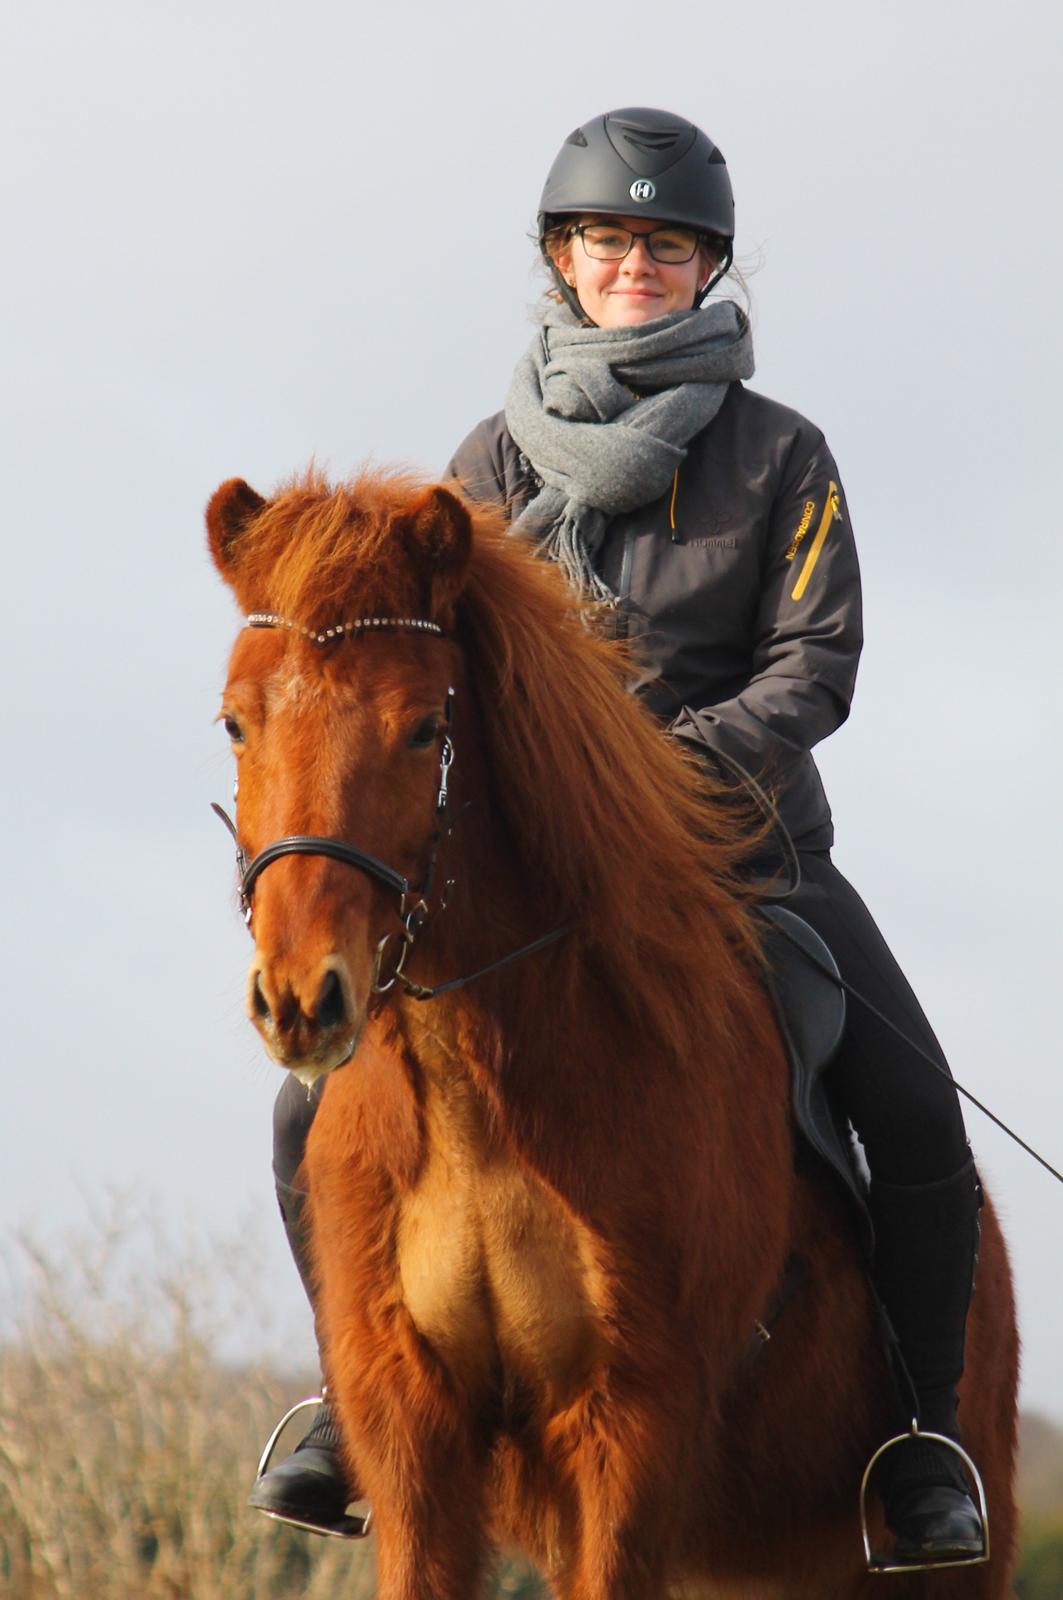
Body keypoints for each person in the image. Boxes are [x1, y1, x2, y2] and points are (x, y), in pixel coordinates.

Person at [251, 106, 986, 1566]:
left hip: (743, 857)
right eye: (607, 238)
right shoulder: (482, 465)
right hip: (527, 880)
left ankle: (920, 1437)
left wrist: (655, 778)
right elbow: (430, 684)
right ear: (563, 259)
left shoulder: (783, 455)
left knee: (918, 1116)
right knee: (303, 1112)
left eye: (665, 242)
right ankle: (349, 1400)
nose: (634, 263)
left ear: (709, 264)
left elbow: (813, 667)